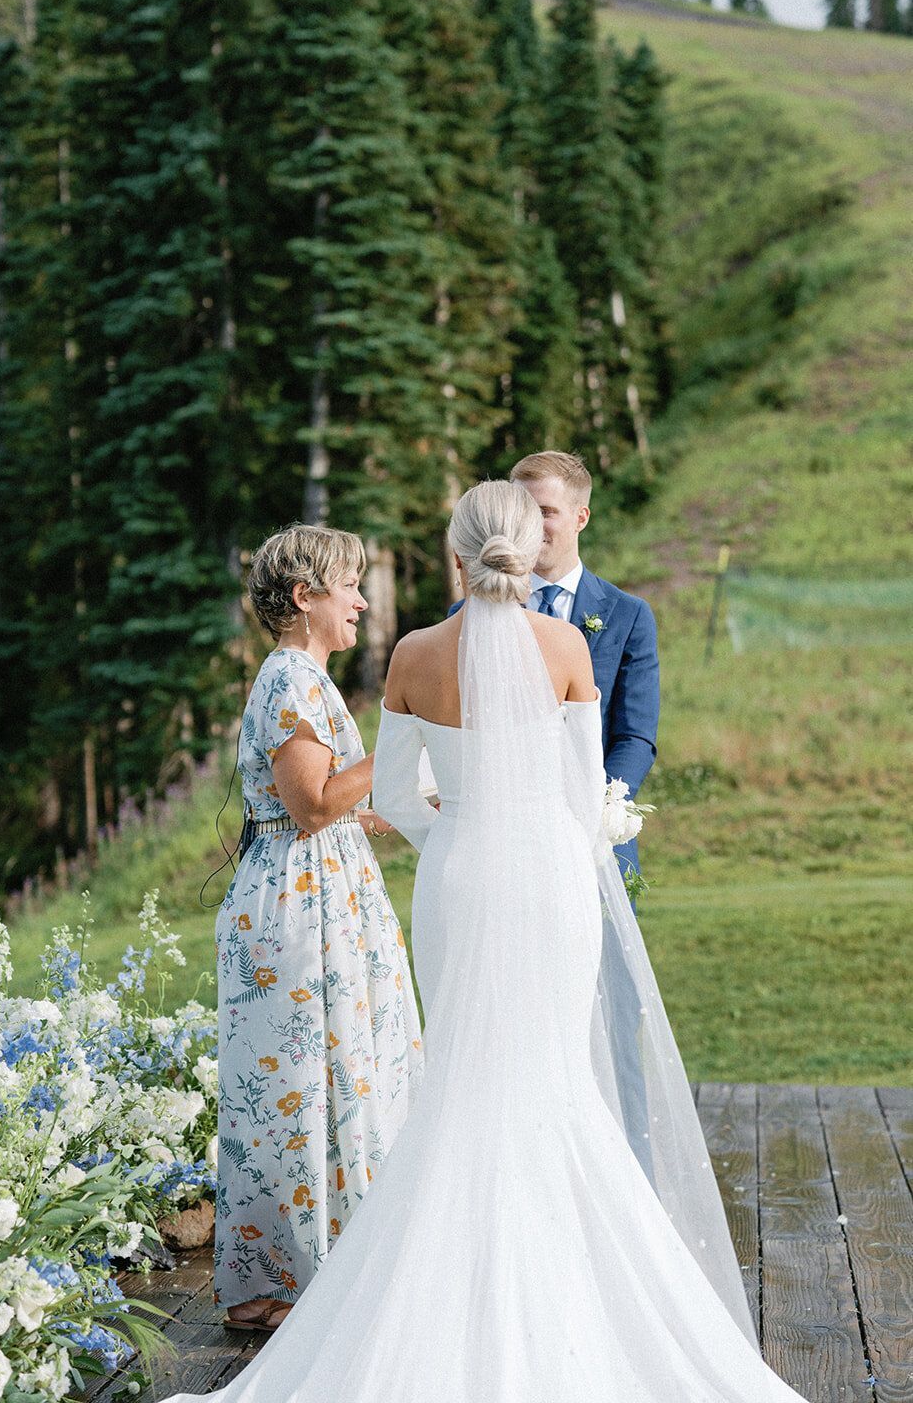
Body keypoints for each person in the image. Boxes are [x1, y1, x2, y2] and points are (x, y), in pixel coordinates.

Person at [160, 483, 811, 1403]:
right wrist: (537, 839)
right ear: (526, 550)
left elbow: (390, 796)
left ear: (456, 559)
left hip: (458, 882)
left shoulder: (415, 654)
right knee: (553, 1080)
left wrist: (456, 837)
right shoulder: (567, 647)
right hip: (549, 878)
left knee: (461, 1084)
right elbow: (585, 801)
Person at [212, 523, 422, 1335]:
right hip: (297, 911)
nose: (363, 601)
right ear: (304, 598)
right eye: (349, 587)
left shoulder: (299, 679)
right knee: (299, 1089)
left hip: (321, 890)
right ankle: (280, 1284)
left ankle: (325, 1267)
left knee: (335, 1077)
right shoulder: (291, 679)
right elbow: (310, 805)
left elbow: (333, 806)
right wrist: (408, 735)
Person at [451, 449, 659, 897]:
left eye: (546, 512)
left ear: (581, 517)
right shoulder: (465, 616)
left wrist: (595, 814)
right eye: (523, 511)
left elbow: (635, 736)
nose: (531, 525)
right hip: (496, 840)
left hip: (593, 839)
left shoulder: (628, 615)